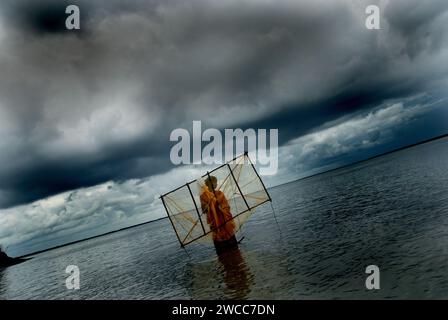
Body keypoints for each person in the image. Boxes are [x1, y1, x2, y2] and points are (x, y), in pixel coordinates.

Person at [200, 175, 238, 254]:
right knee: (222, 253)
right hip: (215, 225)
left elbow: (227, 206)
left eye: (216, 183)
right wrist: (209, 205)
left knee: (235, 250)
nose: (216, 184)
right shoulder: (203, 196)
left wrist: (220, 207)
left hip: (226, 223)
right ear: (210, 184)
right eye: (215, 182)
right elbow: (204, 210)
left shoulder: (220, 193)